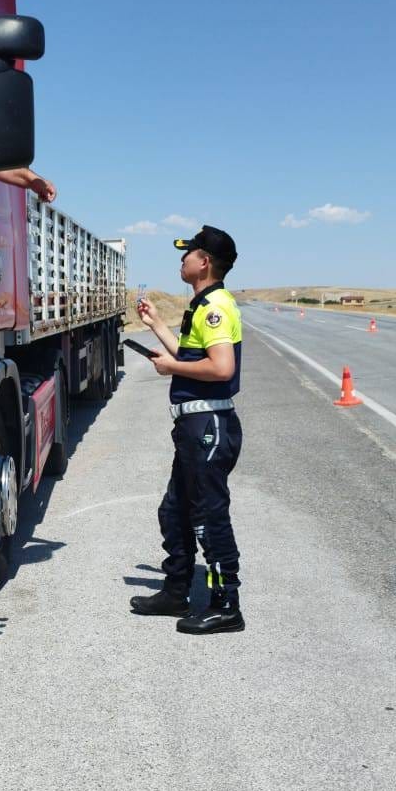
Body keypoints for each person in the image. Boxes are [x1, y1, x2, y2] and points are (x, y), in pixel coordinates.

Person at [129, 225, 245, 635]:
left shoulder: (215, 307)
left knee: (208, 516)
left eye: (187, 253)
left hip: (208, 426)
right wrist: (158, 325)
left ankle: (226, 604)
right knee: (175, 511)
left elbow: (221, 367)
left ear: (205, 262)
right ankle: (177, 591)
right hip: (195, 425)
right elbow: (190, 354)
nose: (181, 260)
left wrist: (172, 368)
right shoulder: (202, 304)